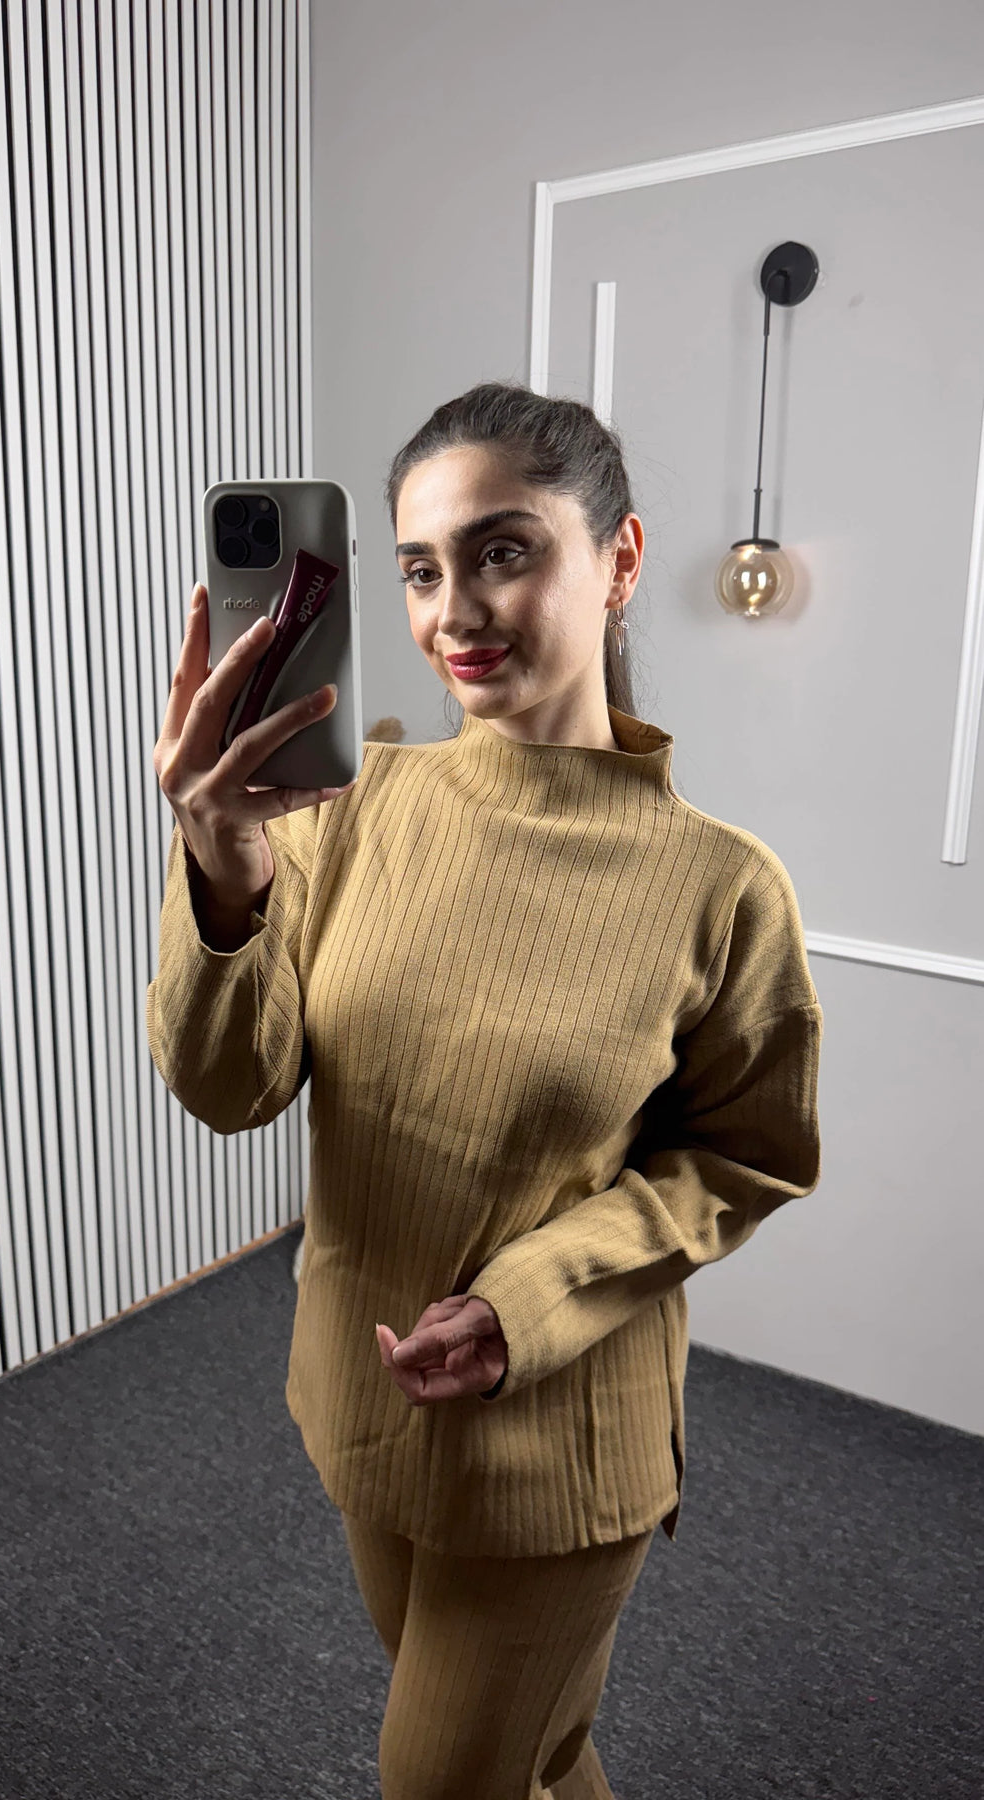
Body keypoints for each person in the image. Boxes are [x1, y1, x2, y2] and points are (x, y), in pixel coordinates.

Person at [147, 381, 823, 1799]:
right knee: (538, 1753)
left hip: (555, 1447)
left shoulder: (722, 887)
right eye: (417, 568)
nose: (453, 610)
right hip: (363, 1404)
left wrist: (525, 1303)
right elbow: (228, 1088)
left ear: (619, 561)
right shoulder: (339, 813)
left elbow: (739, 1161)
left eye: (502, 551)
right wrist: (222, 869)